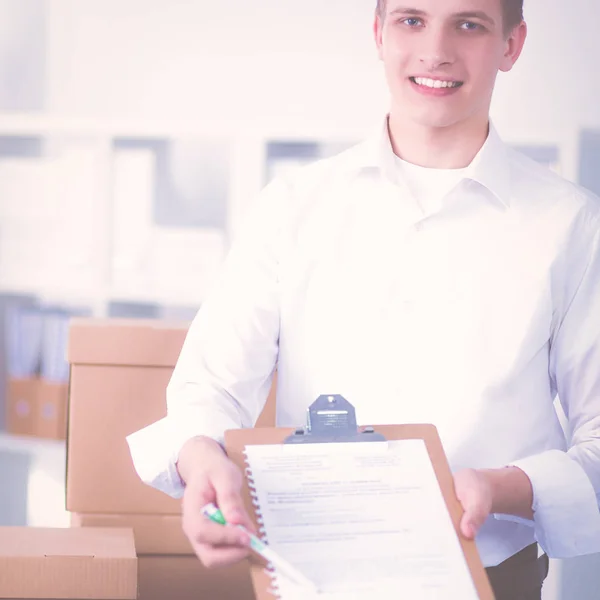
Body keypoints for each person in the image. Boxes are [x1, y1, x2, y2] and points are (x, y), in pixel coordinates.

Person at [127, 0, 600, 598]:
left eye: (469, 23)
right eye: (411, 19)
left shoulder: (572, 225)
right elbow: (210, 386)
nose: (436, 49)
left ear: (511, 45)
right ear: (378, 33)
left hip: (492, 580)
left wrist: (502, 487)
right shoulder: (294, 206)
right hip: (315, 579)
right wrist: (202, 464)